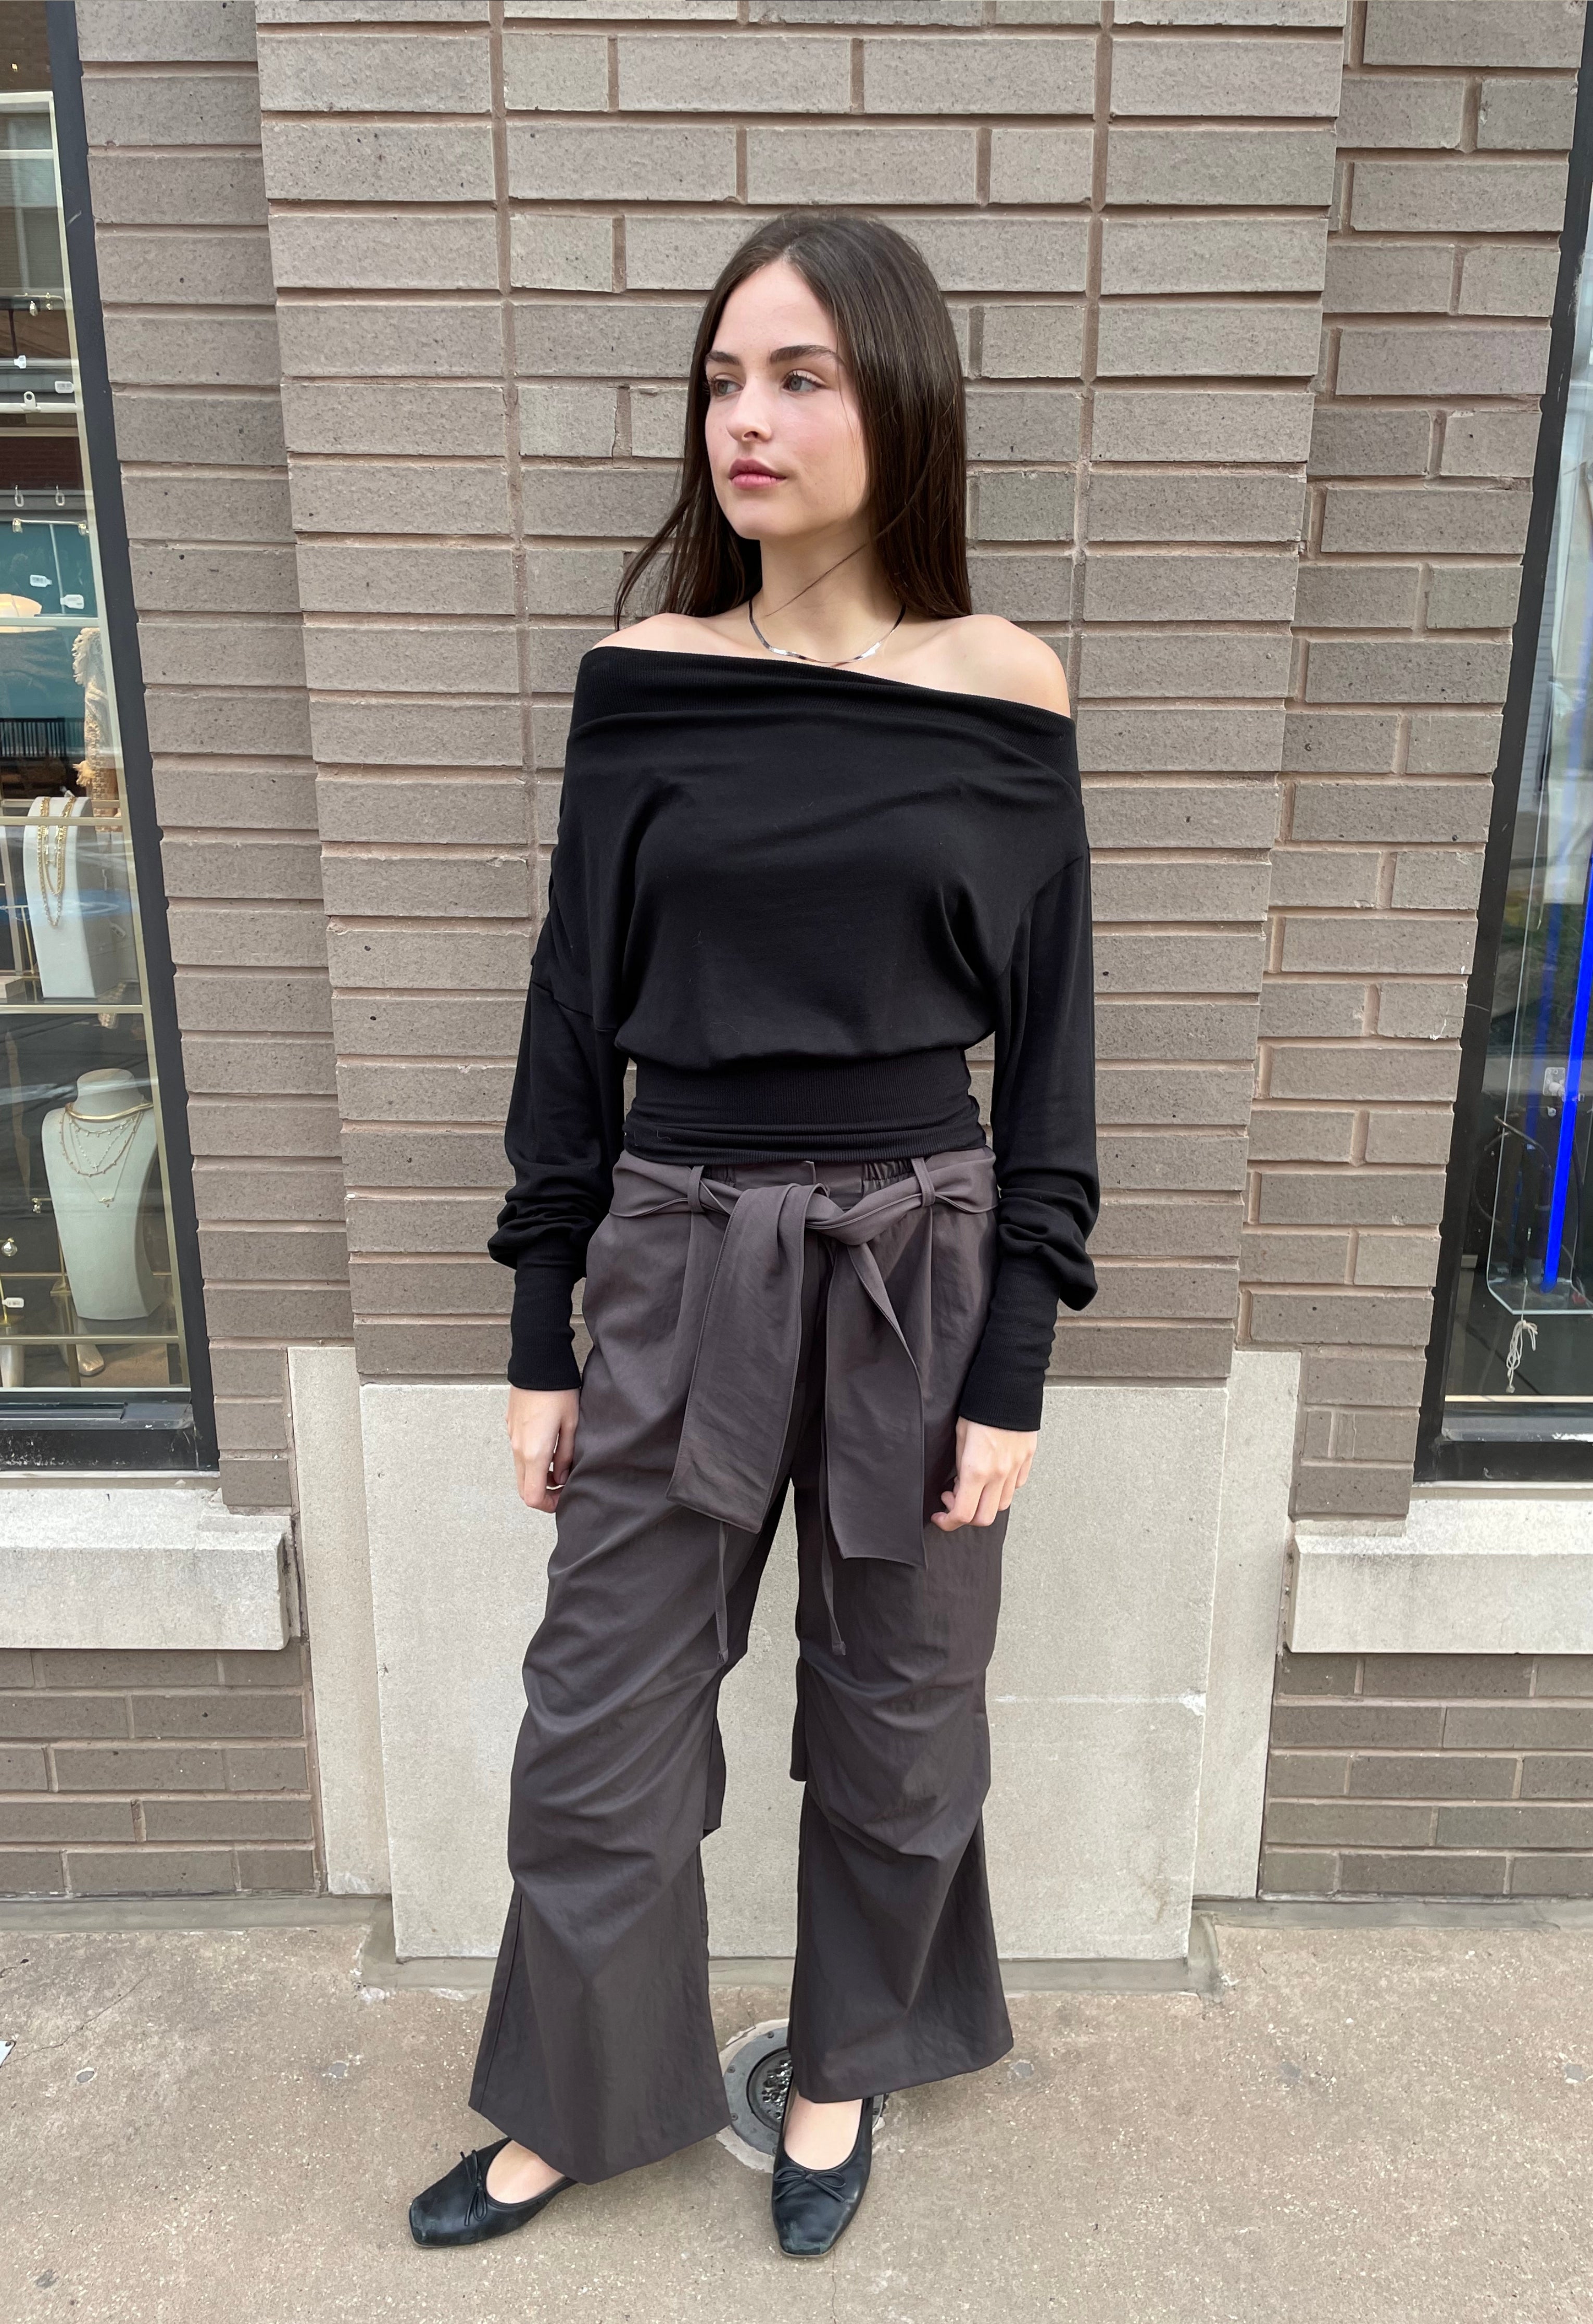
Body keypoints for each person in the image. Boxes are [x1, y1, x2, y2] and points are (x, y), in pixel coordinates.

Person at [408, 209, 1099, 2260]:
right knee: (598, 1726)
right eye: (724, 378)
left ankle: (835, 2076)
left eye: (799, 376)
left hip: (919, 1264)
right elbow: (568, 1010)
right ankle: (570, 2102)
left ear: (902, 401)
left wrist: (1015, 1362)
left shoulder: (1004, 689)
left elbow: (1054, 1043)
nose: (748, 418)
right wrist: (538, 1329)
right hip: (675, 1249)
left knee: (900, 1723)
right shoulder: (644, 684)